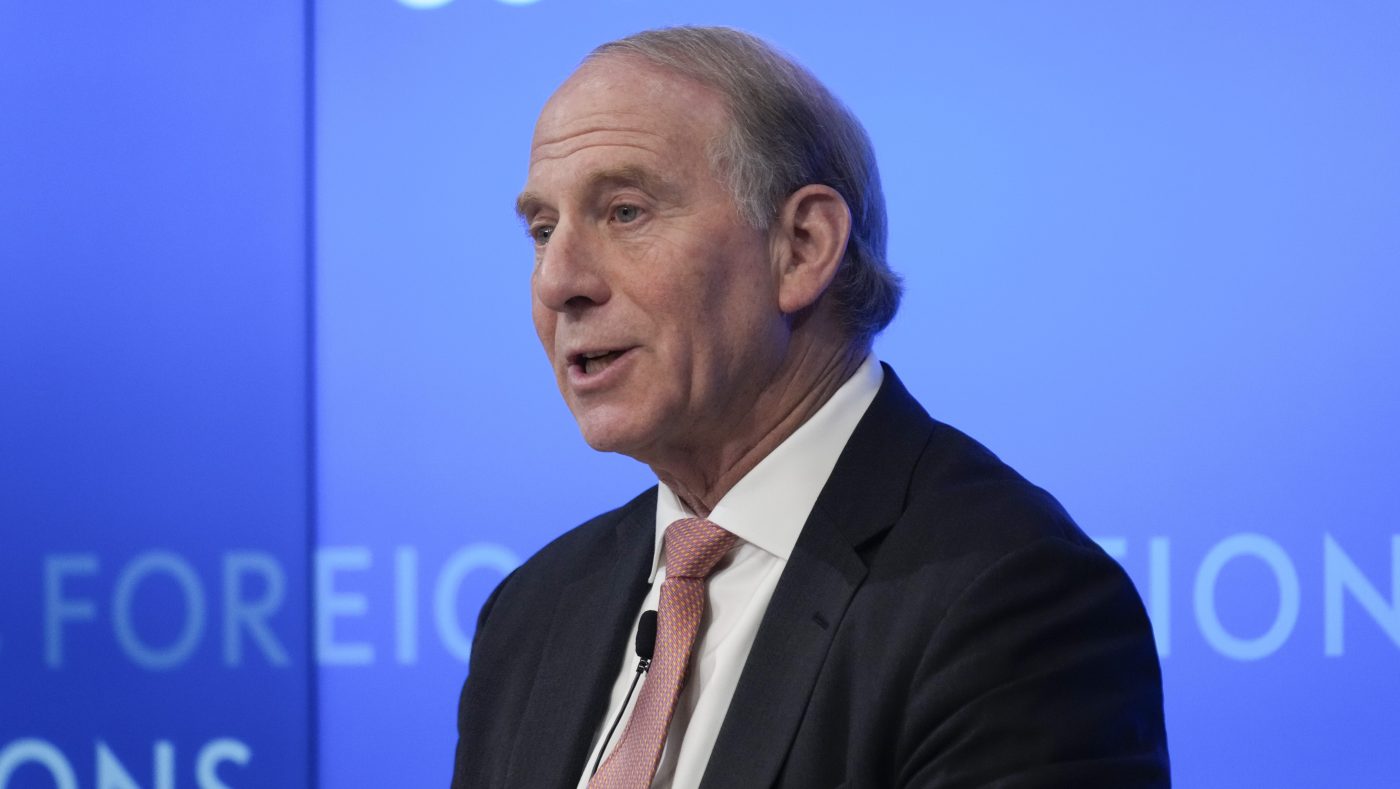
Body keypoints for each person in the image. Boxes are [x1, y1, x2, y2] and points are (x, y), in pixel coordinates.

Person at [452, 26, 1169, 789]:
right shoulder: (531, 614)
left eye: (625, 212)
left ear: (801, 246)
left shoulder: (1011, 599)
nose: (558, 281)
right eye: (543, 230)